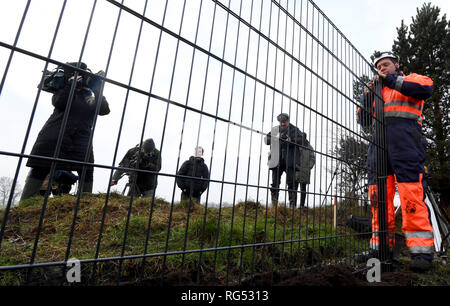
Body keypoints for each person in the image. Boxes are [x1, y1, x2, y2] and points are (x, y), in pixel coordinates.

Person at [357, 51, 434, 271]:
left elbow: (426, 89)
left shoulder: (412, 79)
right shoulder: (377, 92)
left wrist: (391, 81)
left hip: (407, 147)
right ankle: (380, 248)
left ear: (397, 65)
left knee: (412, 198)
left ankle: (421, 254)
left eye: (386, 64)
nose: (382, 68)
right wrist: (368, 94)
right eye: (379, 66)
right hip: (378, 149)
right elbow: (362, 120)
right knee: (378, 199)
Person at [21, 62, 110, 201]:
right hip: (55, 136)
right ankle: (24, 206)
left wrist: (97, 88)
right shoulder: (64, 89)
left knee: (86, 171)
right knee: (41, 167)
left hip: (81, 140)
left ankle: (84, 205)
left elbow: (104, 110)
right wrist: (71, 85)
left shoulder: (90, 95)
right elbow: (60, 102)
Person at [265, 113, 307, 208]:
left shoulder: (294, 129)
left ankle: (292, 206)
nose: (283, 124)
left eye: (284, 122)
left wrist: (290, 139)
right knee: (275, 184)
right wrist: (275, 137)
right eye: (281, 122)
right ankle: (274, 205)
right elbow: (266, 140)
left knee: (292, 183)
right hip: (276, 161)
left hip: (291, 161)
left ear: (288, 120)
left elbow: (302, 139)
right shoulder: (275, 129)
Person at [295, 138, 315, 207]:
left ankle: (302, 206)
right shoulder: (296, 144)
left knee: (303, 188)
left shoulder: (309, 147)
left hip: (305, 171)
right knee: (294, 187)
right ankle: (293, 205)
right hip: (296, 169)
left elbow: (312, 158)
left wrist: (308, 167)